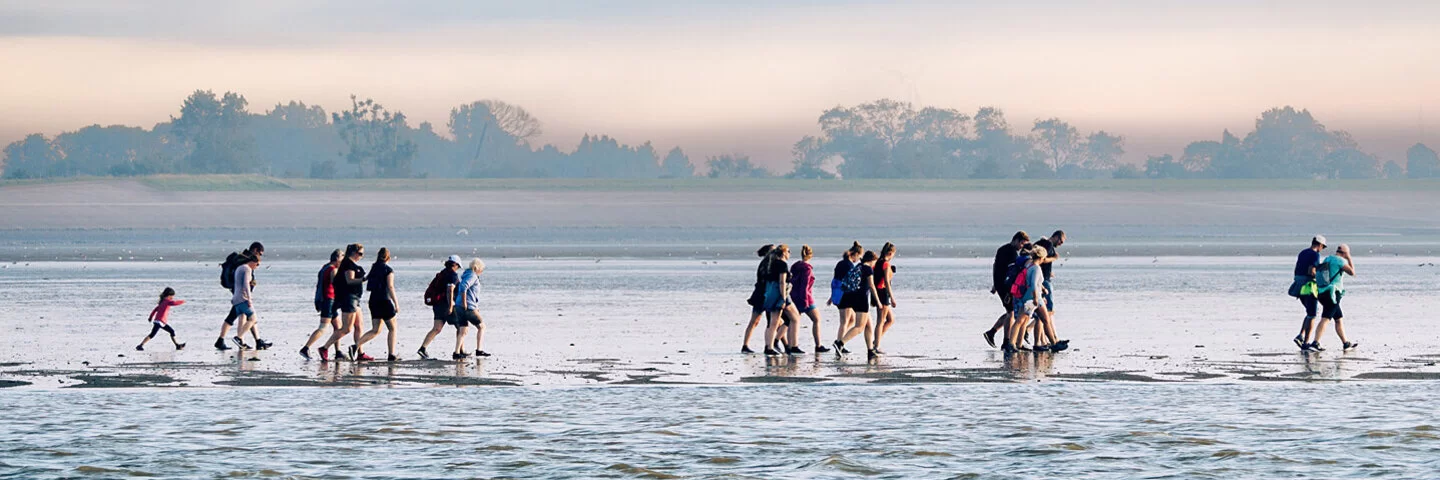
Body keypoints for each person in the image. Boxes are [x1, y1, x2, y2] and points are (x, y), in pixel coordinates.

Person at [215, 242, 270, 351]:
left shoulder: (242, 259)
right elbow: (245, 282)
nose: (260, 257)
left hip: (237, 292)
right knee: (245, 316)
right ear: (255, 250)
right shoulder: (246, 262)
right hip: (241, 293)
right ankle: (240, 340)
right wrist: (249, 296)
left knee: (244, 316)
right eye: (260, 253)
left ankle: (253, 341)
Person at [319, 244, 366, 361]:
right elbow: (349, 281)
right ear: (354, 253)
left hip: (355, 298)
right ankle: (324, 347)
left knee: (359, 326)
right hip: (349, 298)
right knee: (347, 328)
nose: (361, 256)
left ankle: (360, 352)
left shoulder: (351, 264)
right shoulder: (348, 264)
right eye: (360, 254)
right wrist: (365, 279)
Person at [982, 232, 1029, 349]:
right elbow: (1012, 271)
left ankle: (992, 333)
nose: (1022, 246)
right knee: (1011, 313)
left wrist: (995, 284)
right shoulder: (1012, 252)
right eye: (1022, 243)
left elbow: (995, 266)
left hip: (1000, 284)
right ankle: (1006, 341)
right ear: (1017, 240)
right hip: (1006, 286)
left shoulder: (1002, 249)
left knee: (1010, 311)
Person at [1307, 243, 1357, 351]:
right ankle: (1315, 342)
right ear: (1344, 253)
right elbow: (1352, 272)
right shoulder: (1340, 261)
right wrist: (1349, 258)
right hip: (1332, 293)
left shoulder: (1328, 259)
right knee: (1325, 318)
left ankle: (1346, 343)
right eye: (1347, 253)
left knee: (1338, 319)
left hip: (1322, 292)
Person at [837, 250, 883, 360]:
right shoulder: (868, 269)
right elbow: (872, 286)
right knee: (859, 327)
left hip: (852, 297)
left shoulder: (858, 266)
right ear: (872, 260)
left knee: (868, 325)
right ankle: (840, 343)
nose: (874, 264)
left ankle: (870, 350)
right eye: (874, 262)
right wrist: (878, 302)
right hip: (861, 299)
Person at [356, 247, 400, 361]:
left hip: (373, 301)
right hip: (384, 301)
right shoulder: (388, 270)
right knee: (393, 328)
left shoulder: (374, 267)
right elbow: (390, 287)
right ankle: (391, 354)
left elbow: (365, 279)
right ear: (388, 258)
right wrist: (396, 303)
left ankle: (355, 346)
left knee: (375, 329)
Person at [418, 255, 464, 360]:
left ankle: (423, 348)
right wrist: (451, 305)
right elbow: (450, 290)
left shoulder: (442, 273)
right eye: (458, 266)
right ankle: (459, 351)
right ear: (455, 265)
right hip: (446, 305)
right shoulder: (452, 275)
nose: (458, 268)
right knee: (461, 327)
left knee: (437, 328)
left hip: (437, 305)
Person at [1005, 245, 1049, 353]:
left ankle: (1016, 344)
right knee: (1021, 320)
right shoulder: (1036, 267)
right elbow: (1033, 284)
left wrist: (1042, 289)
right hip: (1030, 299)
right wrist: (1035, 298)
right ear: (1041, 257)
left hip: (1024, 296)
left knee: (1022, 321)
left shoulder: (1028, 266)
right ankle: (1011, 344)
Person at [301, 249, 343, 360]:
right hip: (329, 300)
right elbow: (337, 286)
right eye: (342, 259)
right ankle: (305, 348)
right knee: (323, 327)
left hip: (326, 300)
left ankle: (338, 352)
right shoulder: (332, 270)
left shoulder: (324, 268)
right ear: (338, 258)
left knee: (338, 327)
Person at [789, 245, 830, 353]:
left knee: (791, 321)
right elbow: (805, 286)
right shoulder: (807, 269)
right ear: (811, 255)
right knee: (816, 319)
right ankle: (818, 345)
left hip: (793, 296)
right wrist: (805, 301)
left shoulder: (795, 266)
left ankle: (789, 344)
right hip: (805, 297)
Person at [1032, 231, 1068, 351]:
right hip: (1044, 282)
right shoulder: (1048, 245)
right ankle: (1049, 341)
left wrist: (1048, 271)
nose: (1061, 244)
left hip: (1043, 278)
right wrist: (1054, 258)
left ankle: (1046, 340)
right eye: (1060, 241)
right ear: (1056, 237)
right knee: (1047, 312)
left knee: (1044, 313)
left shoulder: (1041, 243)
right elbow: (1042, 259)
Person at [1289, 235, 1326, 350]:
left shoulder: (1303, 252)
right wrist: (1321, 279)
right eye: (1322, 247)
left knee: (1309, 312)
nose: (1322, 249)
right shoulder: (1315, 254)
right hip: (1308, 286)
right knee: (1312, 314)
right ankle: (1306, 342)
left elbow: (1297, 269)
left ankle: (1300, 336)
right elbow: (1311, 271)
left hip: (1298, 285)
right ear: (1319, 245)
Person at [760, 245, 796, 355]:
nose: (790, 253)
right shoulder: (782, 264)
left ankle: (769, 346)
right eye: (789, 251)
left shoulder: (771, 263)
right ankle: (792, 346)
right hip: (779, 294)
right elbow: (782, 282)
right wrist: (783, 298)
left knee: (773, 323)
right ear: (784, 252)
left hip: (770, 293)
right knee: (794, 318)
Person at [453, 258, 491, 359]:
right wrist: (465, 303)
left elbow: (470, 292)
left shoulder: (466, 274)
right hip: (467, 307)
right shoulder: (472, 275)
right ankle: (479, 350)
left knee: (463, 329)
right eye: (481, 269)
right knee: (481, 327)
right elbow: (463, 287)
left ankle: (456, 352)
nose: (481, 272)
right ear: (477, 268)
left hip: (458, 306)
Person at [830, 242, 863, 355]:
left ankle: (841, 341)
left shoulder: (840, 263)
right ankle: (839, 343)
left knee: (851, 320)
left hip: (838, 294)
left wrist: (831, 297)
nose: (858, 259)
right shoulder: (849, 266)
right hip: (845, 296)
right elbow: (850, 282)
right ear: (856, 254)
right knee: (844, 321)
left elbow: (835, 280)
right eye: (859, 257)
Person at [740, 244, 775, 354]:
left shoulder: (767, 263)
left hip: (761, 294)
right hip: (763, 295)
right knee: (763, 321)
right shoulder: (767, 264)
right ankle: (749, 345)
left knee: (771, 321)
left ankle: (773, 344)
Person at [230, 255, 262, 350]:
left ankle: (241, 343)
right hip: (243, 298)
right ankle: (238, 337)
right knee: (253, 318)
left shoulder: (239, 267)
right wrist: (249, 298)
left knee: (242, 319)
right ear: (253, 262)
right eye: (257, 264)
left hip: (236, 298)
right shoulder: (247, 269)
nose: (257, 267)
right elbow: (246, 285)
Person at [871, 242, 898, 353]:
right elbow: (887, 282)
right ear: (890, 253)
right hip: (883, 292)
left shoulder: (877, 262)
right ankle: (876, 346)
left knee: (890, 320)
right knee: (880, 321)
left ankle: (876, 340)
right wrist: (892, 298)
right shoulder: (885, 264)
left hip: (879, 292)